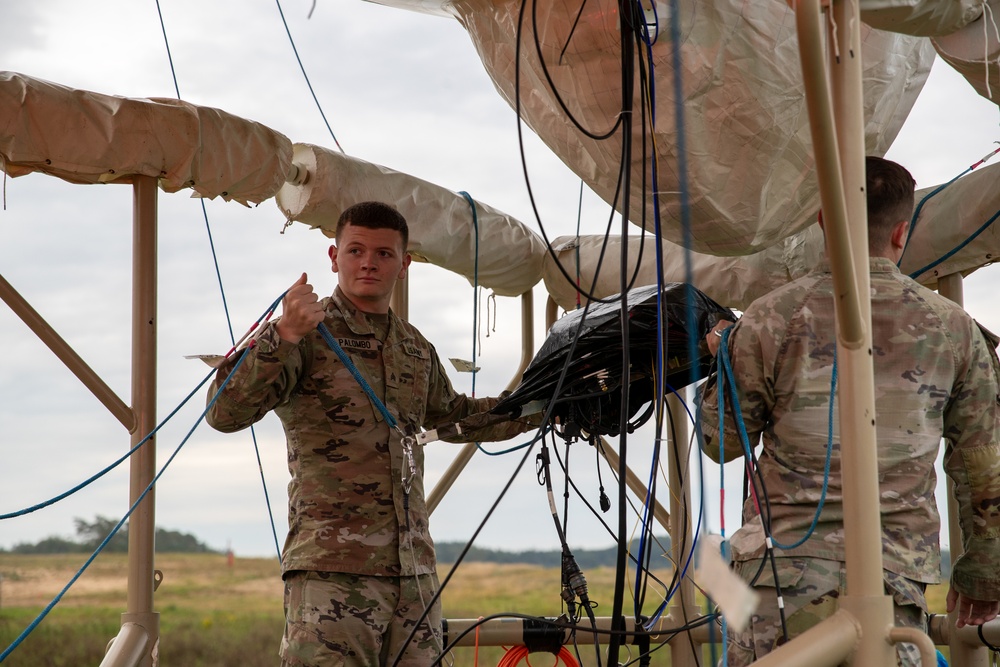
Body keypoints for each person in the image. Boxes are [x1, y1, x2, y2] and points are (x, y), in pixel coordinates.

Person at [205, 201, 537, 666]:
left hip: (413, 576)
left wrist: (546, 406)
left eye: (383, 254)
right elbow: (224, 413)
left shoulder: (415, 347)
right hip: (331, 572)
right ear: (333, 257)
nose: (368, 262)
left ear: (403, 265)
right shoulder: (306, 334)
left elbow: (456, 415)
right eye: (355, 250)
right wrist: (282, 334)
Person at [699, 156, 1000, 666]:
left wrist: (722, 357)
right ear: (902, 232)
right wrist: (983, 578)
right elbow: (984, 468)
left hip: (780, 585)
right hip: (891, 583)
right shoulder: (954, 329)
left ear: (823, 219)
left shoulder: (768, 318)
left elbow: (721, 441)